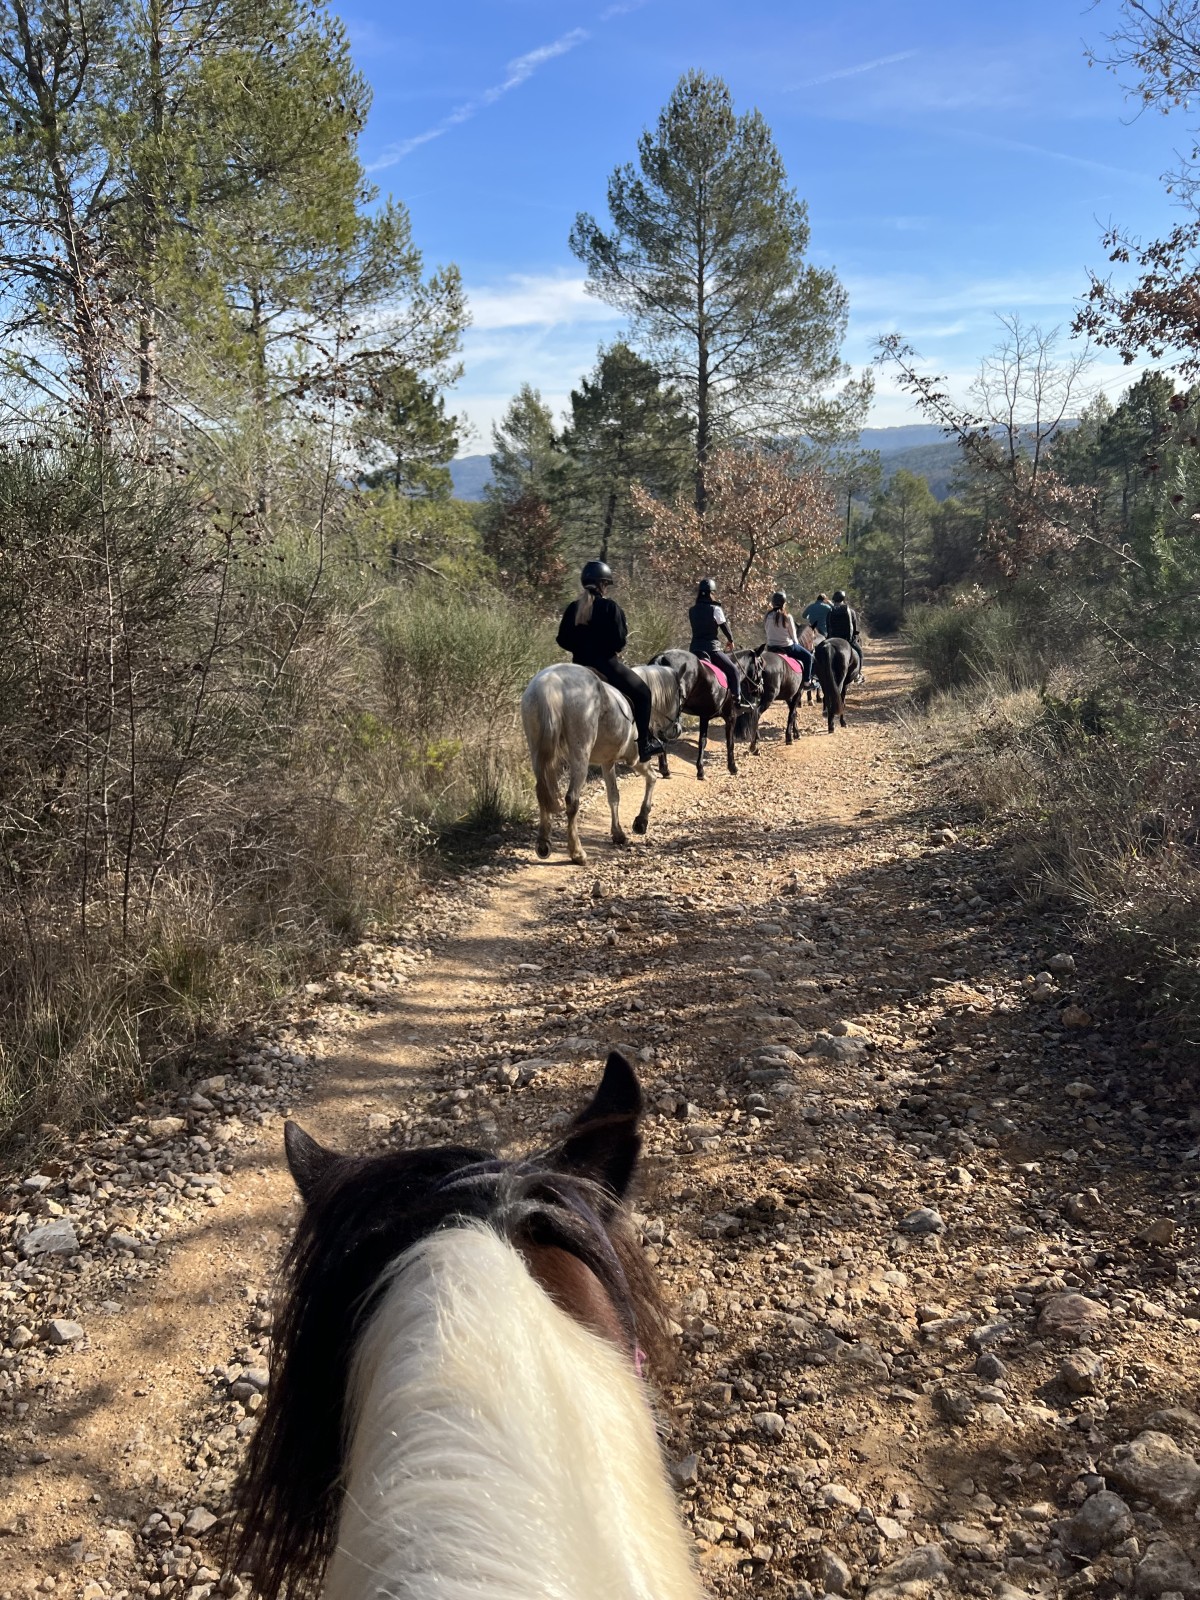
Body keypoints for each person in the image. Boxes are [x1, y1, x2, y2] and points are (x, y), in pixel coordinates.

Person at [556, 559, 664, 762]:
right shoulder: (610, 607)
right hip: (606, 664)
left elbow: (562, 640)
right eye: (606, 584)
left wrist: (580, 649)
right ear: (602, 584)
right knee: (643, 694)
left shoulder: (573, 608)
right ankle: (645, 746)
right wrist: (609, 649)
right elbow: (620, 641)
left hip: (578, 667)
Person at [688, 577, 757, 709]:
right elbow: (724, 627)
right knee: (734, 671)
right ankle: (737, 700)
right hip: (711, 650)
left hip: (695, 650)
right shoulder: (715, 609)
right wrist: (731, 640)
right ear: (711, 593)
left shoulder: (692, 610)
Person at [763, 591, 814, 685]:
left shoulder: (767, 616)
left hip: (771, 647)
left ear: (772, 603)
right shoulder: (787, 617)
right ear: (784, 603)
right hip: (787, 647)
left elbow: (766, 630)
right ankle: (807, 681)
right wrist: (796, 643)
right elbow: (794, 637)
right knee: (808, 657)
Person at [826, 589, 864, 680]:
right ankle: (858, 674)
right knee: (860, 653)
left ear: (834, 599)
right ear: (843, 599)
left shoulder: (830, 612)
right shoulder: (851, 611)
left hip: (832, 639)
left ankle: (817, 675)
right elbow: (855, 628)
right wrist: (855, 634)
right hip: (848, 639)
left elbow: (828, 626)